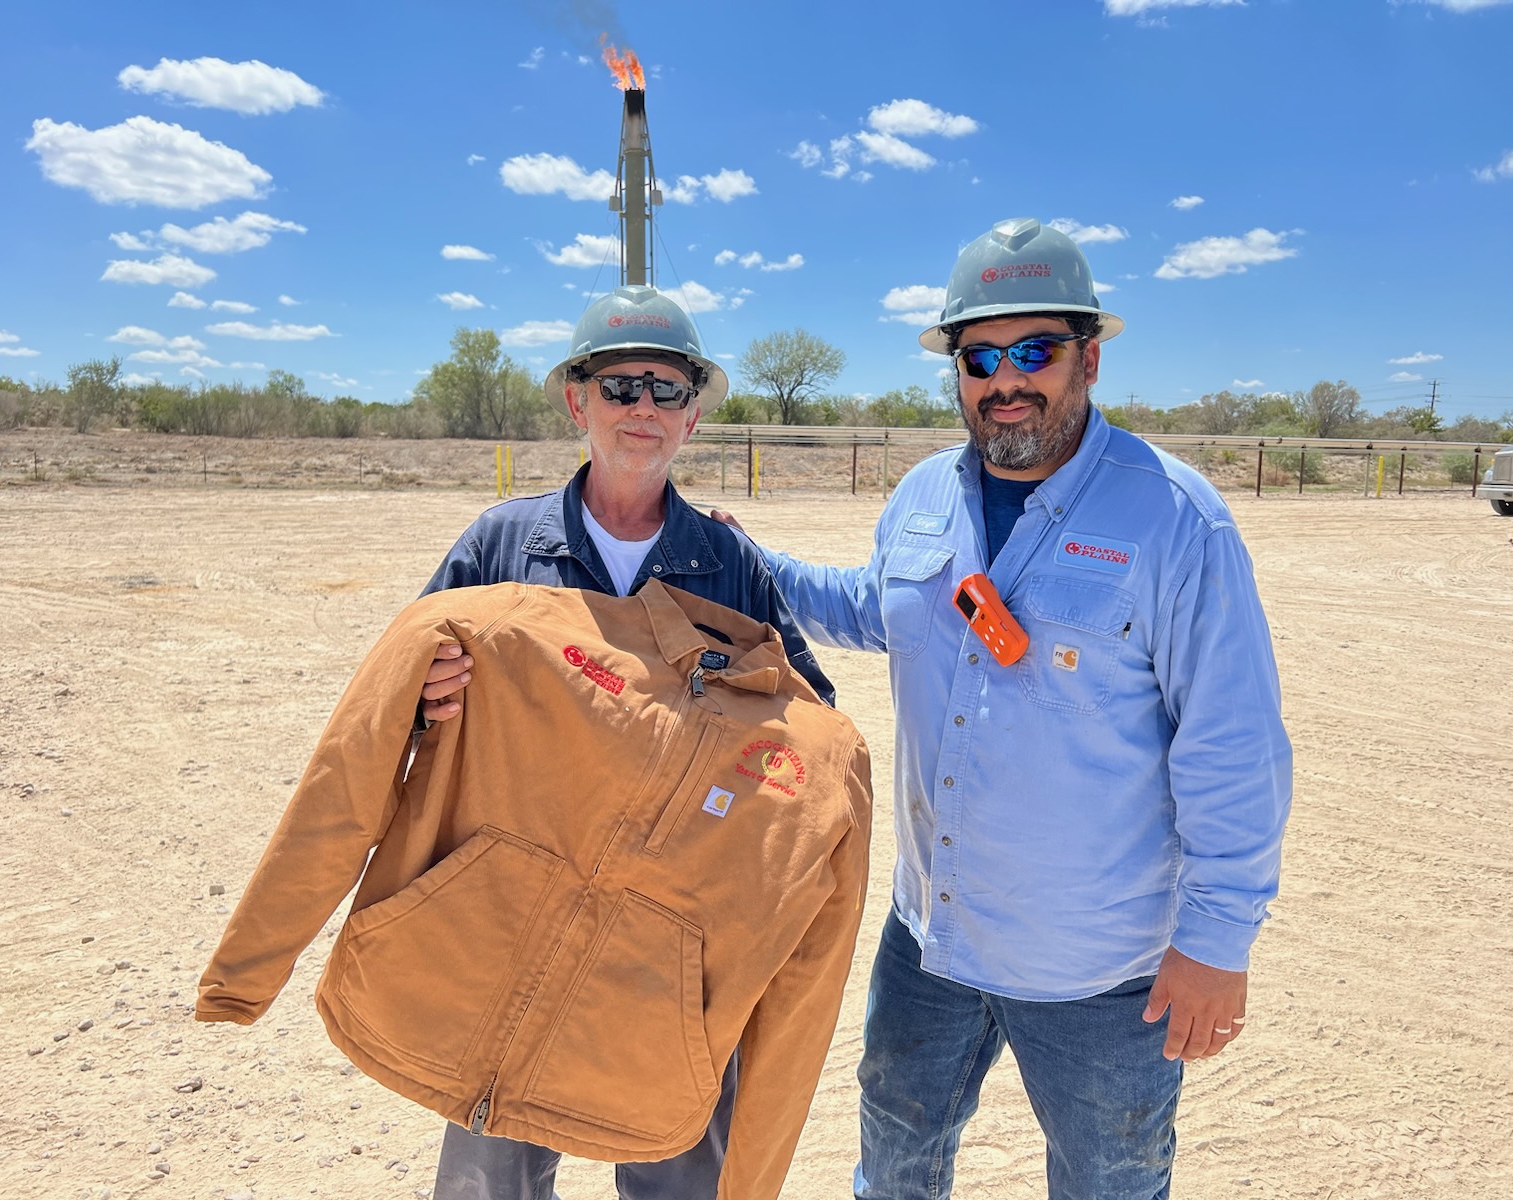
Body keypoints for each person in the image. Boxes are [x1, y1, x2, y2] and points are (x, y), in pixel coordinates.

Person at [713, 218, 1293, 1200]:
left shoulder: (1173, 519)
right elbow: (877, 609)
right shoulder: (923, 496)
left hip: (1099, 967)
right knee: (893, 1164)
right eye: (980, 355)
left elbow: (1230, 746)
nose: (1005, 379)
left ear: (1089, 359)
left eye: (1036, 351)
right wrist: (750, 566)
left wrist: (1215, 942)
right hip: (930, 935)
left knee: (1110, 1183)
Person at [416, 284, 835, 1200]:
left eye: (666, 389)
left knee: (679, 1163)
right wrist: (428, 694)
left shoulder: (728, 564)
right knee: (492, 1166)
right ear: (578, 402)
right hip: (516, 917)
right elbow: (402, 690)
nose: (642, 408)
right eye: (619, 387)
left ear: (692, 416)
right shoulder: (499, 547)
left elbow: (808, 722)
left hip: (668, 932)